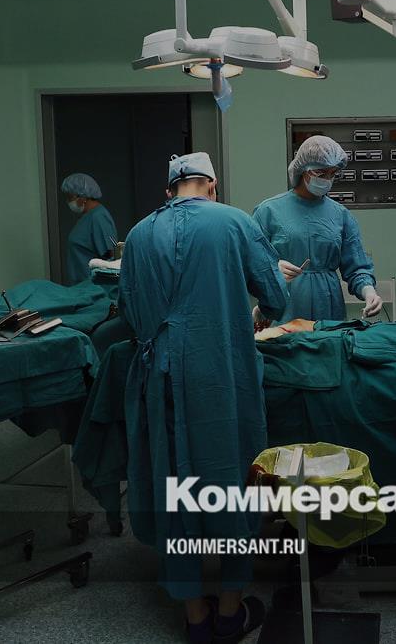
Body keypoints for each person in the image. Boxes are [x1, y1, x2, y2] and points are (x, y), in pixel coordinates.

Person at [120, 153, 289, 643]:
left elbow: (129, 307)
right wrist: (255, 311)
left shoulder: (138, 235)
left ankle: (195, 618)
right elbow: (275, 296)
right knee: (233, 484)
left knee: (175, 488)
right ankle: (231, 612)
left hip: (162, 376)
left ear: (169, 190)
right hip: (222, 376)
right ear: (212, 185)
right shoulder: (234, 223)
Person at [252, 136, 382, 322]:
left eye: (332, 173)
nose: (327, 179)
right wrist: (272, 269)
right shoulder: (268, 211)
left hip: (328, 307)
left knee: (327, 339)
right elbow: (250, 263)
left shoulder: (341, 215)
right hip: (285, 309)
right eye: (321, 173)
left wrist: (368, 291)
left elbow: (357, 266)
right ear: (303, 170)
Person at [61, 173, 118, 285]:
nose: (68, 201)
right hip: (83, 287)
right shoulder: (88, 217)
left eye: (70, 197)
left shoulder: (99, 217)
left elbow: (110, 257)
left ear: (83, 197)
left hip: (94, 288)